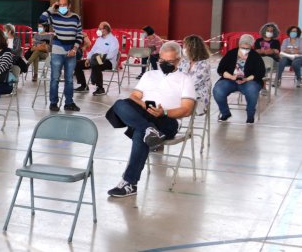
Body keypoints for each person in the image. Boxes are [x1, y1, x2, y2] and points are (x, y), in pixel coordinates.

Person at [106, 41, 196, 197]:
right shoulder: (149, 75)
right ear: (158, 57)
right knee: (120, 104)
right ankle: (148, 128)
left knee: (140, 134)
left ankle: (129, 183)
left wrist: (164, 113)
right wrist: (144, 106)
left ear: (179, 60)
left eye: (170, 61)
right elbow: (135, 96)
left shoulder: (185, 79)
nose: (165, 64)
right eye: (163, 60)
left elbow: (187, 110)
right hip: (145, 113)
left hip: (168, 120)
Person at [39, 0, 84, 112]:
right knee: (55, 78)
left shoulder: (76, 18)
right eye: (60, 5)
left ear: (69, 5)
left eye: (65, 5)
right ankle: (53, 103)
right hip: (58, 51)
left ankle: (69, 102)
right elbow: (42, 19)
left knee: (69, 79)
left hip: (71, 52)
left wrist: (75, 49)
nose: (62, 7)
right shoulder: (54, 16)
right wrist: (52, 8)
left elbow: (79, 35)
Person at [213, 34, 265, 124]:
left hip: (249, 81)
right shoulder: (231, 53)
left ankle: (250, 115)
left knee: (252, 90)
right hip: (230, 79)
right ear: (239, 45)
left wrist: (246, 79)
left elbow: (260, 72)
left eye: (247, 48)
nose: (245, 49)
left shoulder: (255, 56)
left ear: (251, 46)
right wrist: (231, 77)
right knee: (218, 90)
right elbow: (221, 69)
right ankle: (225, 113)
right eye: (242, 47)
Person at [74, 22, 119, 96]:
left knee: (96, 64)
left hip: (108, 61)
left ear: (105, 30)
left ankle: (100, 88)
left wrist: (96, 57)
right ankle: (83, 85)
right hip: (94, 59)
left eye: (100, 28)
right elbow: (92, 51)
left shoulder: (113, 40)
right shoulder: (99, 40)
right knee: (77, 64)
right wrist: (88, 59)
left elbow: (111, 55)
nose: (98, 30)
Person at [179, 35, 212, 113]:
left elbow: (193, 84)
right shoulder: (185, 61)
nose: (183, 49)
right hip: (183, 92)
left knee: (171, 101)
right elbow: (178, 77)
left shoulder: (204, 65)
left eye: (185, 47)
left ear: (192, 49)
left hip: (198, 97)